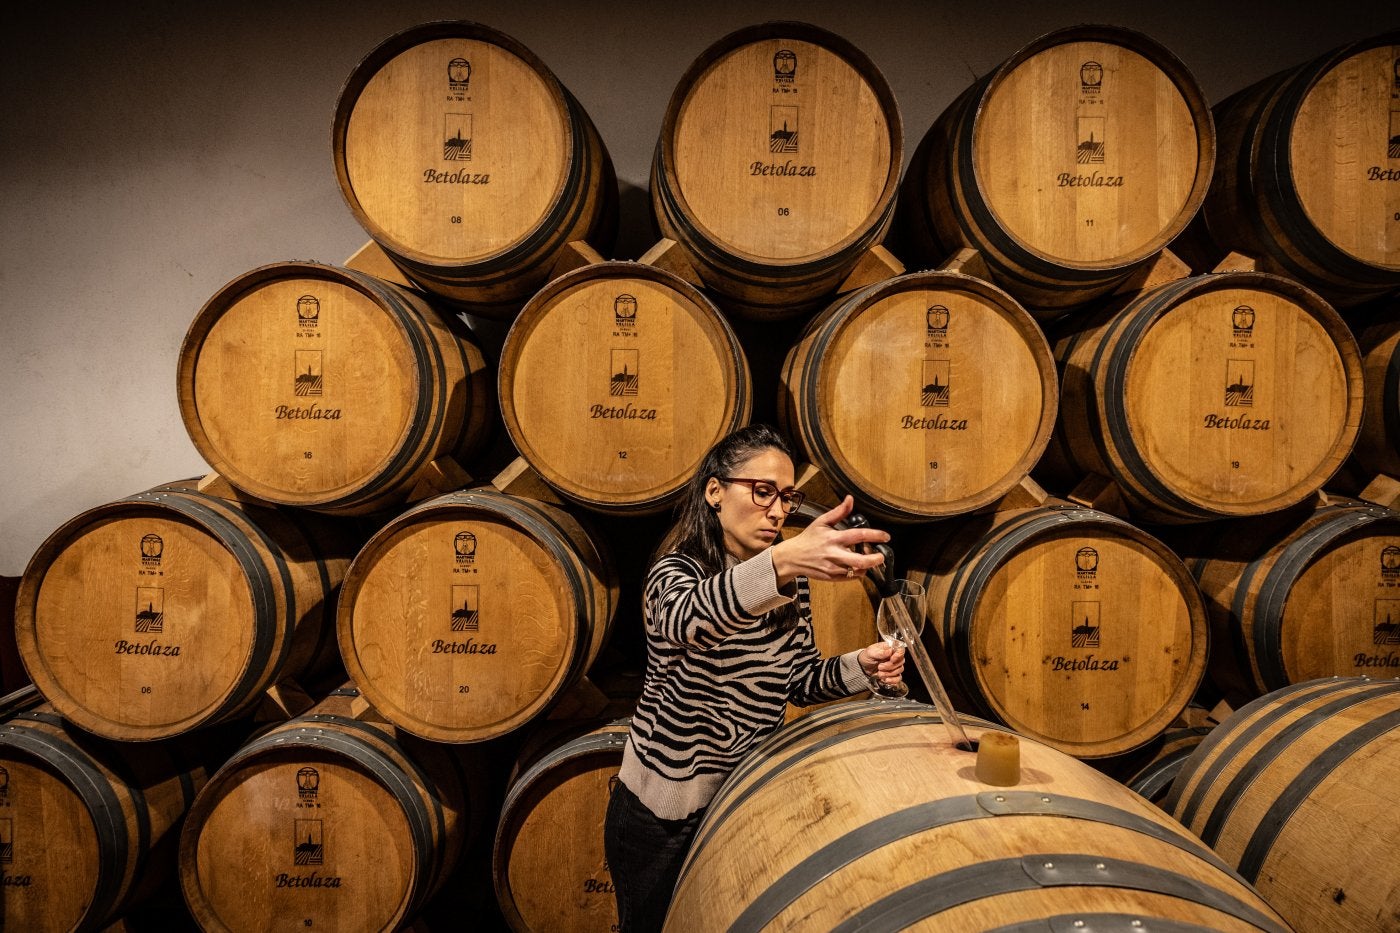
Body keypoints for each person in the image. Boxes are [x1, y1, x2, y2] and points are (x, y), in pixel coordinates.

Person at [604, 424, 905, 932]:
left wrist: (862, 666)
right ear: (714, 491)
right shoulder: (674, 572)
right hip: (662, 820)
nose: (779, 511)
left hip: (742, 800)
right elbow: (689, 621)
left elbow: (798, 680)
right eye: (763, 492)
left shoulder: (788, 579)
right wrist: (781, 559)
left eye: (787, 497)